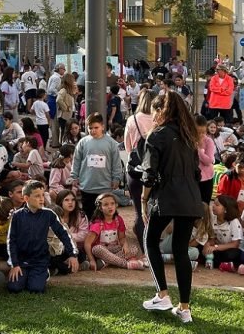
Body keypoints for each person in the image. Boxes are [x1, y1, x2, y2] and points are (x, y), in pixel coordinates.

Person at [140, 91, 204, 323]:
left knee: (149, 240)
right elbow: (197, 173)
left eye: (155, 111)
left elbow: (149, 174)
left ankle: (162, 294)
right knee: (180, 250)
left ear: (160, 110)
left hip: (166, 197)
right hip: (190, 198)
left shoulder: (156, 135)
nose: (153, 115)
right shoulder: (189, 137)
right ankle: (184, 307)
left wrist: (143, 199)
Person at [7, 180, 79, 293]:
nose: (42, 199)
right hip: (22, 261)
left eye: (42, 195)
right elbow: (11, 241)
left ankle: (44, 272)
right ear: (26, 198)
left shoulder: (49, 214)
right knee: (14, 288)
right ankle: (26, 275)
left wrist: (72, 254)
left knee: (36, 289)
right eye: (37, 196)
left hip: (39, 261)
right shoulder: (17, 216)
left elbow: (63, 233)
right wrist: (14, 264)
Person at [71, 112, 123, 220]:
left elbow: (116, 163)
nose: (93, 130)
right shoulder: (83, 142)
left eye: (96, 127)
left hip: (105, 186)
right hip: (87, 186)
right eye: (90, 128)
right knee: (88, 214)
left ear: (102, 127)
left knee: (105, 215)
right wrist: (74, 176)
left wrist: (116, 178)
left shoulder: (111, 143)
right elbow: (76, 160)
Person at [124, 90, 157, 249]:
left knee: (138, 208)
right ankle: (154, 243)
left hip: (135, 168)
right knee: (155, 207)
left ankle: (144, 246)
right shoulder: (159, 120)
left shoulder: (132, 119)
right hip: (155, 169)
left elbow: (127, 146)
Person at [84, 193, 146, 271]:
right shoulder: (97, 223)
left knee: (133, 248)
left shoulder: (118, 219)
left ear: (116, 205)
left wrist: (125, 246)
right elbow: (87, 243)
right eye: (106, 204)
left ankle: (105, 262)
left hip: (113, 249)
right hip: (100, 251)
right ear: (100, 208)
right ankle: (127, 264)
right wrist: (91, 260)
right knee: (97, 249)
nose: (110, 206)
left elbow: (122, 238)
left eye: (112, 203)